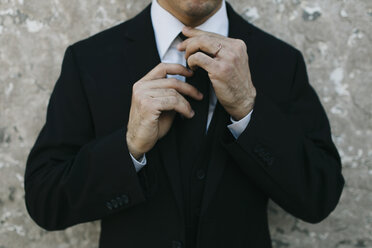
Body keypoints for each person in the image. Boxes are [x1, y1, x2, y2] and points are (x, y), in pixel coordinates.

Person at [24, 0, 345, 247]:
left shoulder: (280, 61)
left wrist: (249, 110)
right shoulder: (89, 60)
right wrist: (128, 146)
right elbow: (45, 201)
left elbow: (320, 195)